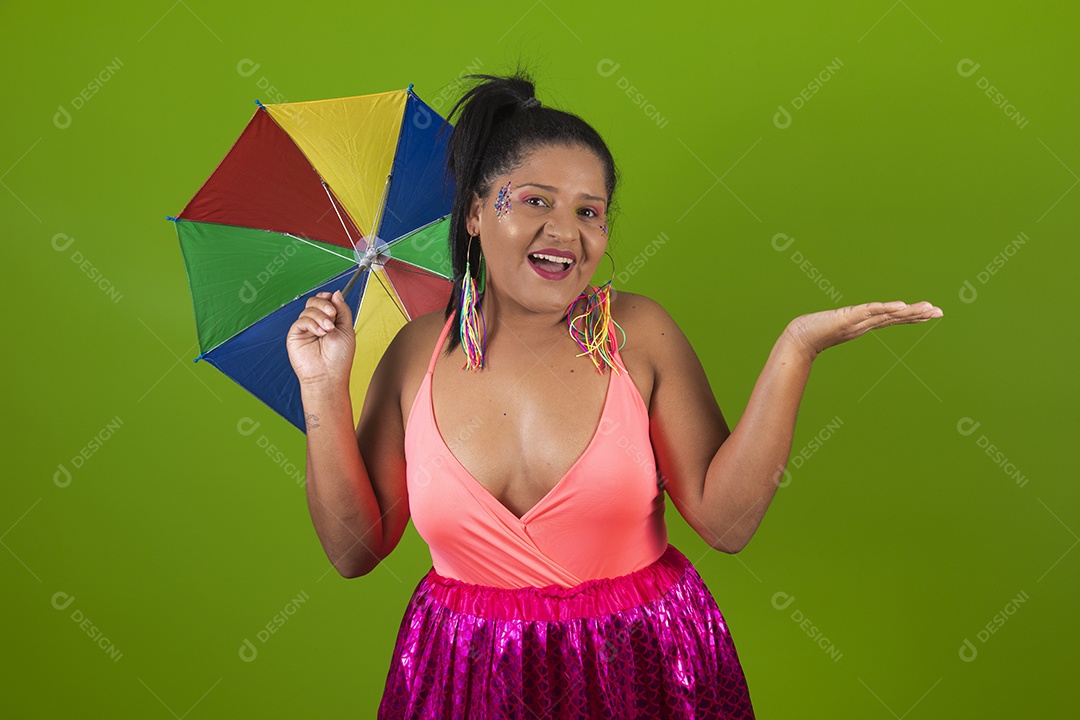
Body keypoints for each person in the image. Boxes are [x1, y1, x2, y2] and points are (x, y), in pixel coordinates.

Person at [286, 72, 943, 719]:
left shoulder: (639, 335)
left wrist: (797, 349)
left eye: (589, 212)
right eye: (536, 201)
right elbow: (353, 552)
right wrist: (322, 385)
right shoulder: (415, 355)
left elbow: (728, 524)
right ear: (477, 214)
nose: (566, 232)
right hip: (465, 677)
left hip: (639, 667)